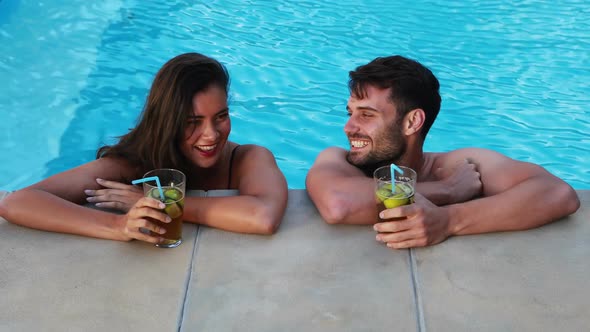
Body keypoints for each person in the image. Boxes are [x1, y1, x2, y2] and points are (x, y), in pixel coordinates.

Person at [0, 52, 288, 243]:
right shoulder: (135, 165)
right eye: (193, 121)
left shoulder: (247, 158)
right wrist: (118, 226)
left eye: (221, 117)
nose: (211, 134)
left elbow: (262, 216)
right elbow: (17, 202)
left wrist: (160, 205)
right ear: (168, 121)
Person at [306, 55, 580, 249]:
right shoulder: (339, 160)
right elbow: (339, 205)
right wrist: (447, 190)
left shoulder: (461, 163)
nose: (348, 127)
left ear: (412, 122)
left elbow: (558, 194)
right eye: (350, 113)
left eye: (366, 115)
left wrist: (450, 220)